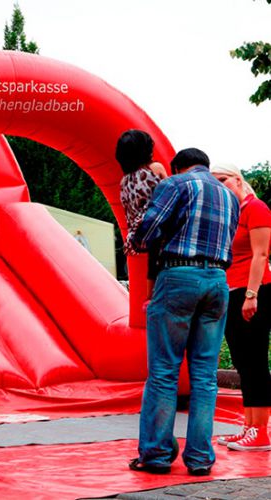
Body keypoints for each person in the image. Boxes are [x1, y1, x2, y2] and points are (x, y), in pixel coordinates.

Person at [128, 148, 240, 476]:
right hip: (217, 279)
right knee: (205, 375)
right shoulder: (230, 196)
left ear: (178, 167)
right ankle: (200, 458)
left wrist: (139, 233)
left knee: (164, 371)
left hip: (178, 275)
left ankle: (156, 455)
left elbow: (146, 233)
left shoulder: (176, 184)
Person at [210, 163, 271, 451]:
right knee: (243, 362)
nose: (220, 186)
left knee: (255, 361)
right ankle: (249, 426)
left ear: (237, 178)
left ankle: (261, 431)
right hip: (232, 292)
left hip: (254, 292)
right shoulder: (232, 213)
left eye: (223, 179)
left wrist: (251, 294)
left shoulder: (255, 208)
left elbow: (261, 254)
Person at [116, 129, 168, 300]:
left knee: (153, 265)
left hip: (138, 234)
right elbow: (172, 194)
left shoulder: (125, 181)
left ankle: (149, 297)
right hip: (159, 226)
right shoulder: (155, 169)